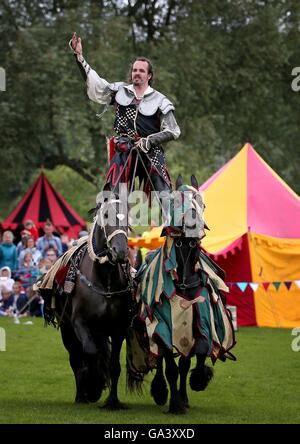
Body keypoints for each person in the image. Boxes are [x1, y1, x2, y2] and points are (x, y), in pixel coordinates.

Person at [70, 33, 180, 199]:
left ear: (149, 76)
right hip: (124, 151)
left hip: (150, 152)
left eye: (141, 71)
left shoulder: (160, 100)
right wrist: (79, 57)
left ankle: (179, 221)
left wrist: (149, 140)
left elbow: (173, 131)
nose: (137, 73)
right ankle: (109, 222)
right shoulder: (120, 91)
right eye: (135, 70)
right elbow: (96, 84)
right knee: (111, 198)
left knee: (166, 197)